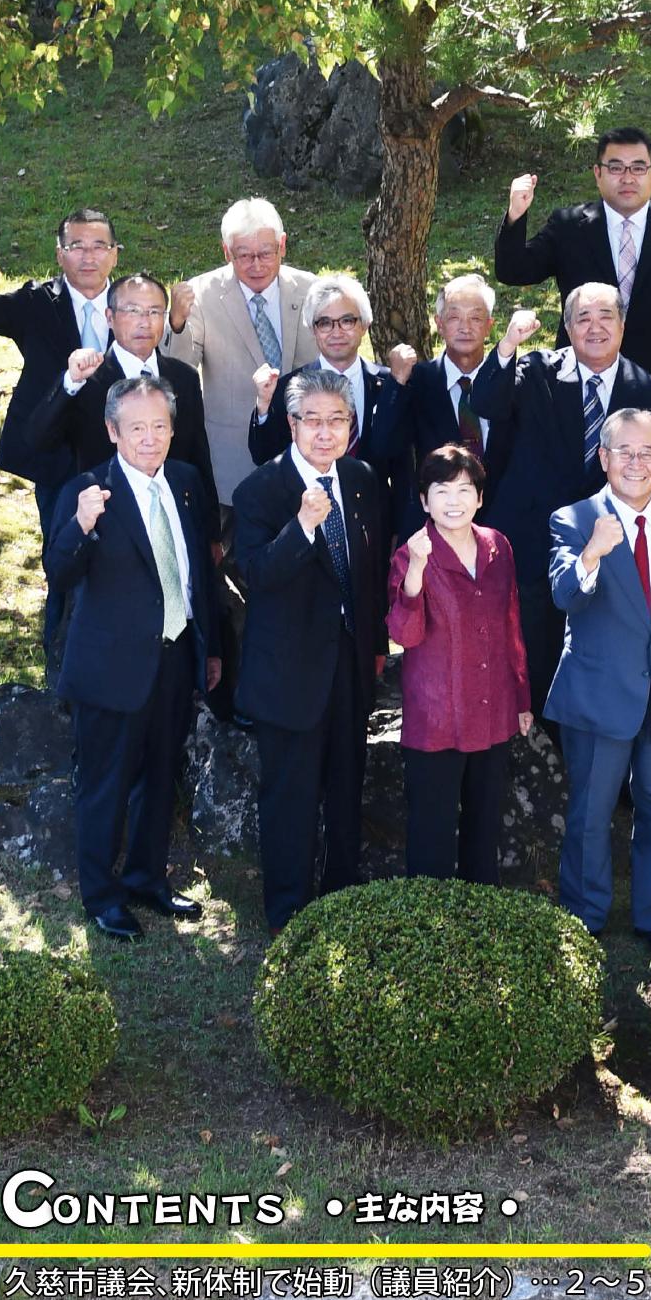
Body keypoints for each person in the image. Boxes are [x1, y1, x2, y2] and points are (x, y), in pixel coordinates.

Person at [43, 378, 220, 941]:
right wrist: (81, 525)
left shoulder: (186, 482)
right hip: (110, 669)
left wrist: (210, 647)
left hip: (173, 658)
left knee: (161, 776)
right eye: (136, 427)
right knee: (105, 785)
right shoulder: (87, 489)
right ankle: (101, 895)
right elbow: (58, 573)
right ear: (112, 431)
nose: (150, 438)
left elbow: (198, 575)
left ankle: (147, 877)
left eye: (159, 426)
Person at [545, 408, 651, 955]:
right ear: (604, 457)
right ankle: (585, 914)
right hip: (599, 694)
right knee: (591, 813)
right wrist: (592, 553)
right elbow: (565, 596)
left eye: (648, 453)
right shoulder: (573, 518)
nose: (636, 463)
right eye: (624, 452)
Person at [468, 284, 651, 714]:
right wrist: (507, 344)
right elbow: (485, 401)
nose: (595, 327)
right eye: (583, 318)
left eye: (606, 317)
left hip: (613, 556)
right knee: (537, 662)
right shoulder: (535, 371)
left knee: (601, 668)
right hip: (533, 546)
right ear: (567, 327)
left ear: (623, 325)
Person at [232, 372, 386, 934]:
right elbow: (254, 577)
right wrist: (301, 528)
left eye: (337, 420)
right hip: (288, 671)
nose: (325, 433)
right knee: (290, 797)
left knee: (347, 786)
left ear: (351, 424)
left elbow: (370, 573)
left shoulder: (363, 479)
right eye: (313, 421)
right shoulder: (260, 490)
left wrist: (375, 647)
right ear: (292, 424)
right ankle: (289, 914)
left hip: (350, 662)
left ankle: (342, 898)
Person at [387, 445, 533, 884]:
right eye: (442, 490)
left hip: (493, 707)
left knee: (484, 828)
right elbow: (404, 634)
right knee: (431, 835)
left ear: (480, 497)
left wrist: (521, 698)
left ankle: (480, 913)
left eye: (465, 489)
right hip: (436, 716)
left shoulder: (497, 546)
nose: (454, 501)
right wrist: (416, 569)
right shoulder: (411, 554)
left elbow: (511, 626)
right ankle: (429, 918)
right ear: (424, 500)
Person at [497, 126, 651, 392]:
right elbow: (512, 271)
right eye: (616, 168)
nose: (627, 178)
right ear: (598, 174)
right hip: (577, 384)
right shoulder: (569, 227)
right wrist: (516, 214)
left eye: (638, 168)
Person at [0, 207, 121, 547]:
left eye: (99, 246)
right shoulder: (37, 301)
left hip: (121, 450)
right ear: (60, 255)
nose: (88, 257)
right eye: (76, 246)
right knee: (63, 547)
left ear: (115, 254)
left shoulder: (133, 302)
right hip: (56, 452)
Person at [26, 270, 221, 547]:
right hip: (108, 526)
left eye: (154, 312)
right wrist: (70, 383)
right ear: (110, 317)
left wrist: (212, 533)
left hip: (174, 523)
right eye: (132, 311)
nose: (145, 322)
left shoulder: (184, 378)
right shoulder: (88, 379)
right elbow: (37, 439)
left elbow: (198, 456)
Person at [163, 197, 318, 509]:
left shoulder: (311, 289)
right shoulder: (201, 294)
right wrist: (176, 324)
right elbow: (178, 371)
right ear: (226, 251)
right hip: (233, 461)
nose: (256, 265)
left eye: (265, 253)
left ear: (283, 245)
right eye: (244, 255)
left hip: (307, 455)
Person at [248, 273, 414, 548]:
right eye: (325, 323)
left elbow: (402, 466)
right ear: (312, 329)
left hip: (376, 528)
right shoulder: (289, 386)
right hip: (311, 525)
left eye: (347, 321)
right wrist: (264, 404)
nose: (336, 332)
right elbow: (264, 456)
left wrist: (401, 531)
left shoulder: (390, 383)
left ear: (365, 325)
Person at [396, 274, 514, 532]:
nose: (465, 327)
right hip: (436, 526)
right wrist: (397, 383)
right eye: (454, 317)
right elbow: (387, 449)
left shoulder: (513, 380)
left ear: (489, 325)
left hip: (504, 524)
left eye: (475, 318)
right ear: (439, 323)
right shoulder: (418, 380)